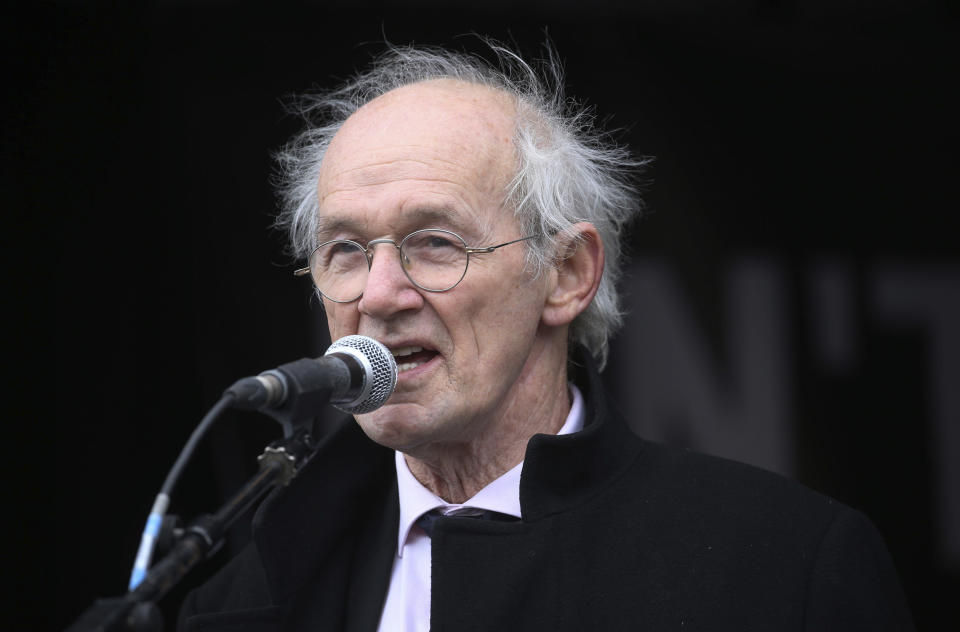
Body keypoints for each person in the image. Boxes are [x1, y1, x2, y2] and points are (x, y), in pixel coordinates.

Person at [178, 42, 914, 631]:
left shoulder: (784, 563)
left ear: (565, 273)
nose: (377, 293)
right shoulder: (247, 585)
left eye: (434, 242)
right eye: (346, 250)